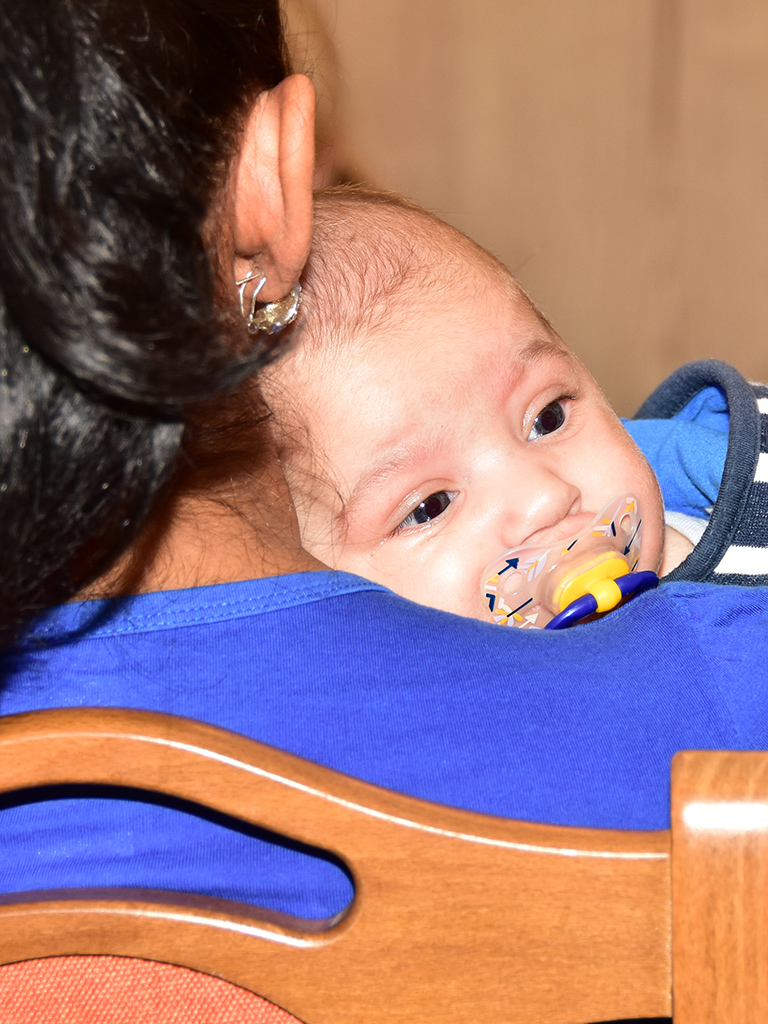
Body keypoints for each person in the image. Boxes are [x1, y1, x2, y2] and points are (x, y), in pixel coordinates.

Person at [1, 0, 767, 931]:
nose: (545, 497)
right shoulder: (716, 682)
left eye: (550, 415)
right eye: (429, 506)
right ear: (268, 175)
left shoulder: (719, 480)